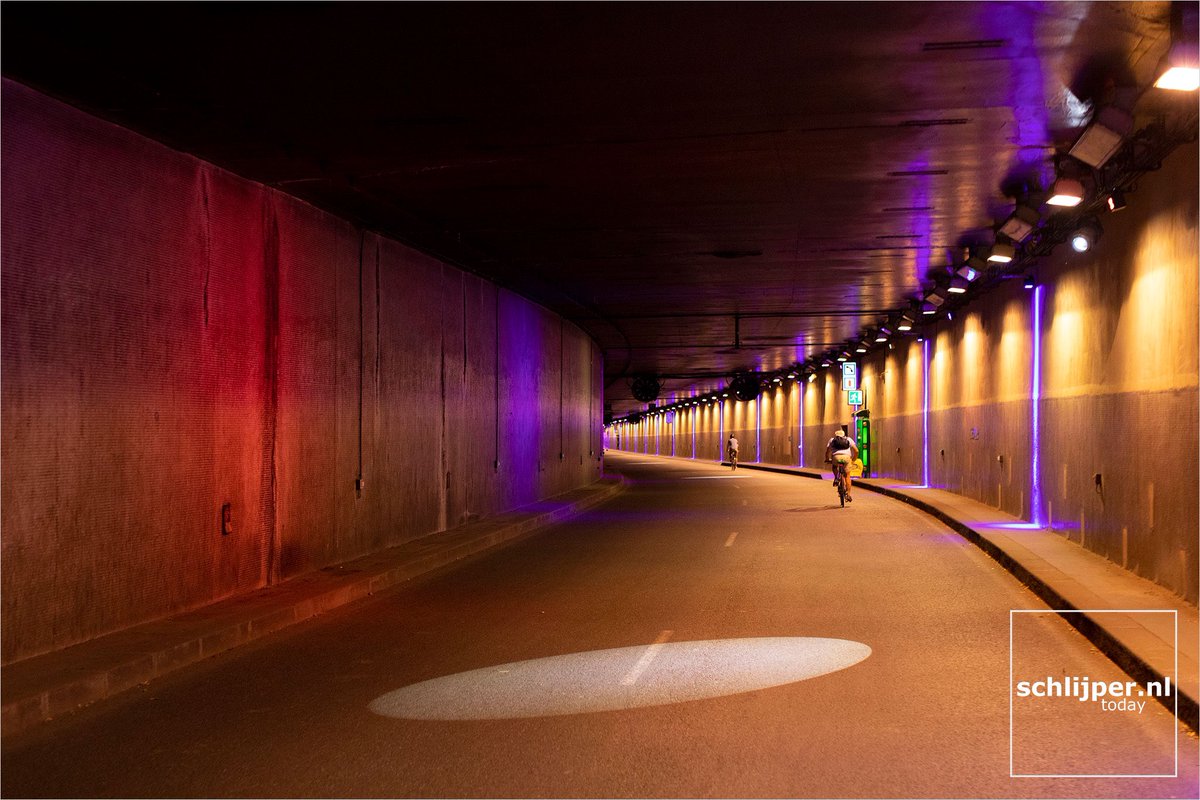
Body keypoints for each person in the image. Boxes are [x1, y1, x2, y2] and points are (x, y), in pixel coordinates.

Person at [824, 427, 859, 502]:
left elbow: (827, 452)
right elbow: (856, 450)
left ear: (836, 435)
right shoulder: (849, 439)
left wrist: (827, 459)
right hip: (846, 458)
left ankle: (836, 477)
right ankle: (848, 494)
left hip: (836, 457)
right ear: (844, 435)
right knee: (848, 476)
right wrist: (853, 459)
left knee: (834, 467)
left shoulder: (832, 440)